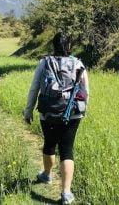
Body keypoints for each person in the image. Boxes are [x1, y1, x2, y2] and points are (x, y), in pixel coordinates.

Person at [23, 32, 89, 205]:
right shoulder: (78, 63)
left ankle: (46, 175)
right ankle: (66, 193)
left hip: (48, 111)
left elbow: (34, 88)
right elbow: (85, 91)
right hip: (73, 113)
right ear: (69, 46)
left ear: (53, 46)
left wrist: (28, 111)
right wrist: (83, 110)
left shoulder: (44, 62)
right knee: (67, 150)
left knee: (50, 144)